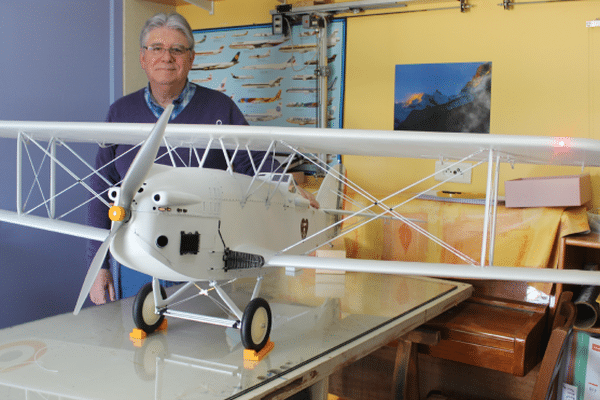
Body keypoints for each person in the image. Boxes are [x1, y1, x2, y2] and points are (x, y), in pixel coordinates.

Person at [86, 13, 317, 305]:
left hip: (202, 256)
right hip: (134, 260)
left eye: (177, 49)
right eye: (156, 48)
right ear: (143, 58)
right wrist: (99, 266)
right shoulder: (119, 113)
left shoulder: (221, 108)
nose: (166, 57)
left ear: (191, 58)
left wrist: (290, 190)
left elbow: (254, 162)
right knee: (136, 341)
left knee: (205, 342)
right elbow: (100, 192)